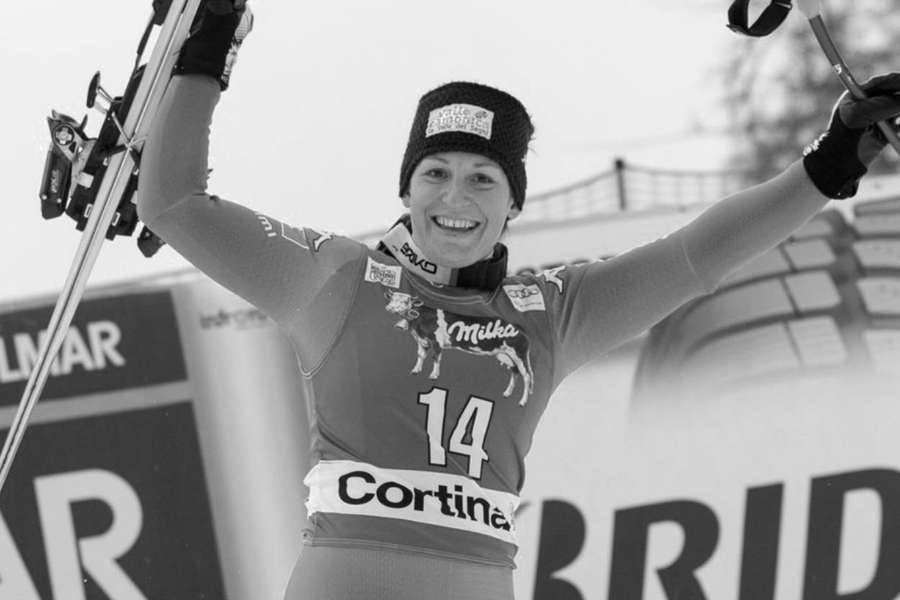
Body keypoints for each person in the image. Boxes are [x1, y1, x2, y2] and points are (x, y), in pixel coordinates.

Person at [137, 2, 900, 599]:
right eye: (434, 172)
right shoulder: (334, 277)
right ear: (405, 189)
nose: (454, 197)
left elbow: (694, 257)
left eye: (482, 178)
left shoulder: (550, 310)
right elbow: (172, 204)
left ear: (512, 206)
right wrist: (206, 50)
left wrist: (832, 161)